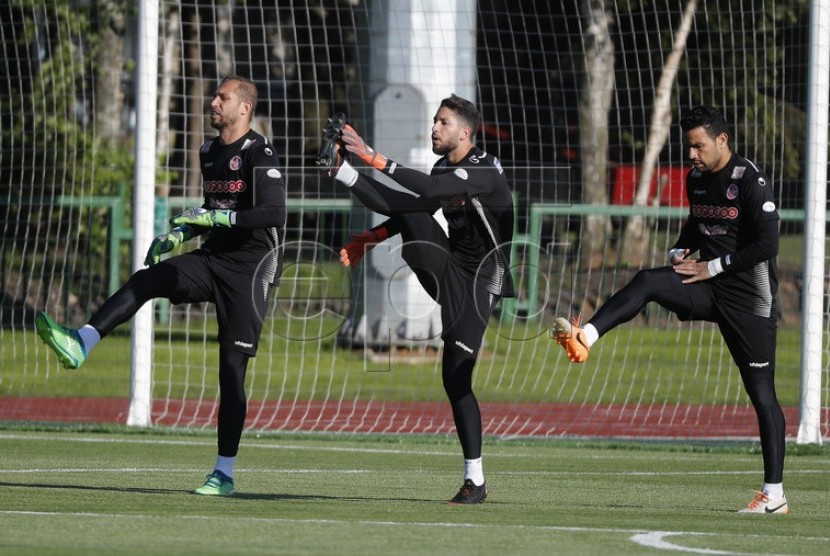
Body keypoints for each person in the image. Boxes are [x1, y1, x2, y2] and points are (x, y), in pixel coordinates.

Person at [36, 75, 286, 497]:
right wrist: (179, 233)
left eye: (222, 97)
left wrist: (219, 220)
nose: (213, 102)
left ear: (244, 108)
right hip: (213, 259)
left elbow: (273, 213)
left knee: (231, 371)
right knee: (148, 279)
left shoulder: (259, 153)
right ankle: (82, 341)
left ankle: (223, 473)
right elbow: (213, 207)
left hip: (252, 270)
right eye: (214, 95)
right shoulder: (208, 150)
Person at [551, 105, 788, 514]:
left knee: (762, 396)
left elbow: (768, 246)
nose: (692, 155)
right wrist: (680, 249)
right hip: (706, 286)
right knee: (649, 281)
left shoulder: (750, 180)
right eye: (688, 147)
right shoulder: (696, 179)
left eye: (698, 146)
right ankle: (585, 337)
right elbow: (697, 226)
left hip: (751, 301)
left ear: (722, 141)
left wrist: (710, 265)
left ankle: (774, 495)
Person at [317, 95, 515, 504]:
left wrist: (373, 157)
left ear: (464, 133)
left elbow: (428, 187)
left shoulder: (484, 169)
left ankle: (475, 481)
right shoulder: (444, 167)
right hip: (449, 270)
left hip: (481, 284)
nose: (434, 128)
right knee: (413, 210)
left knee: (456, 378)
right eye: (434, 121)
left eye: (443, 123)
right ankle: (339, 169)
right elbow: (412, 206)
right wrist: (371, 234)